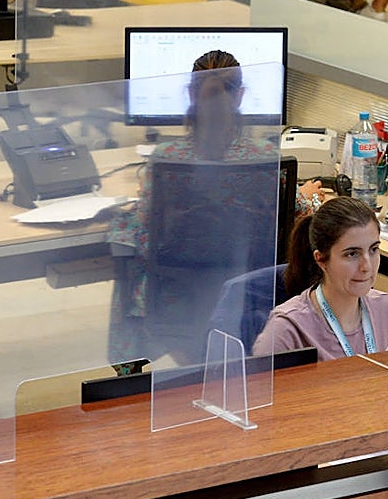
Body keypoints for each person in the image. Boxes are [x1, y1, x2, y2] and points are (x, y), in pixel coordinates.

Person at [107, 50, 322, 366]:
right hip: (248, 294)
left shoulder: (168, 159)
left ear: (190, 95)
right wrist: (308, 194)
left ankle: (129, 372)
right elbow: (301, 211)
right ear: (241, 97)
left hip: (180, 297)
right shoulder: (266, 160)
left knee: (126, 242)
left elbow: (146, 229)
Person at [252, 196, 388, 361]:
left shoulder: (386, 308)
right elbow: (258, 386)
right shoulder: (286, 329)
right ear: (321, 260)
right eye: (352, 254)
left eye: (373, 249)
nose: (367, 266)